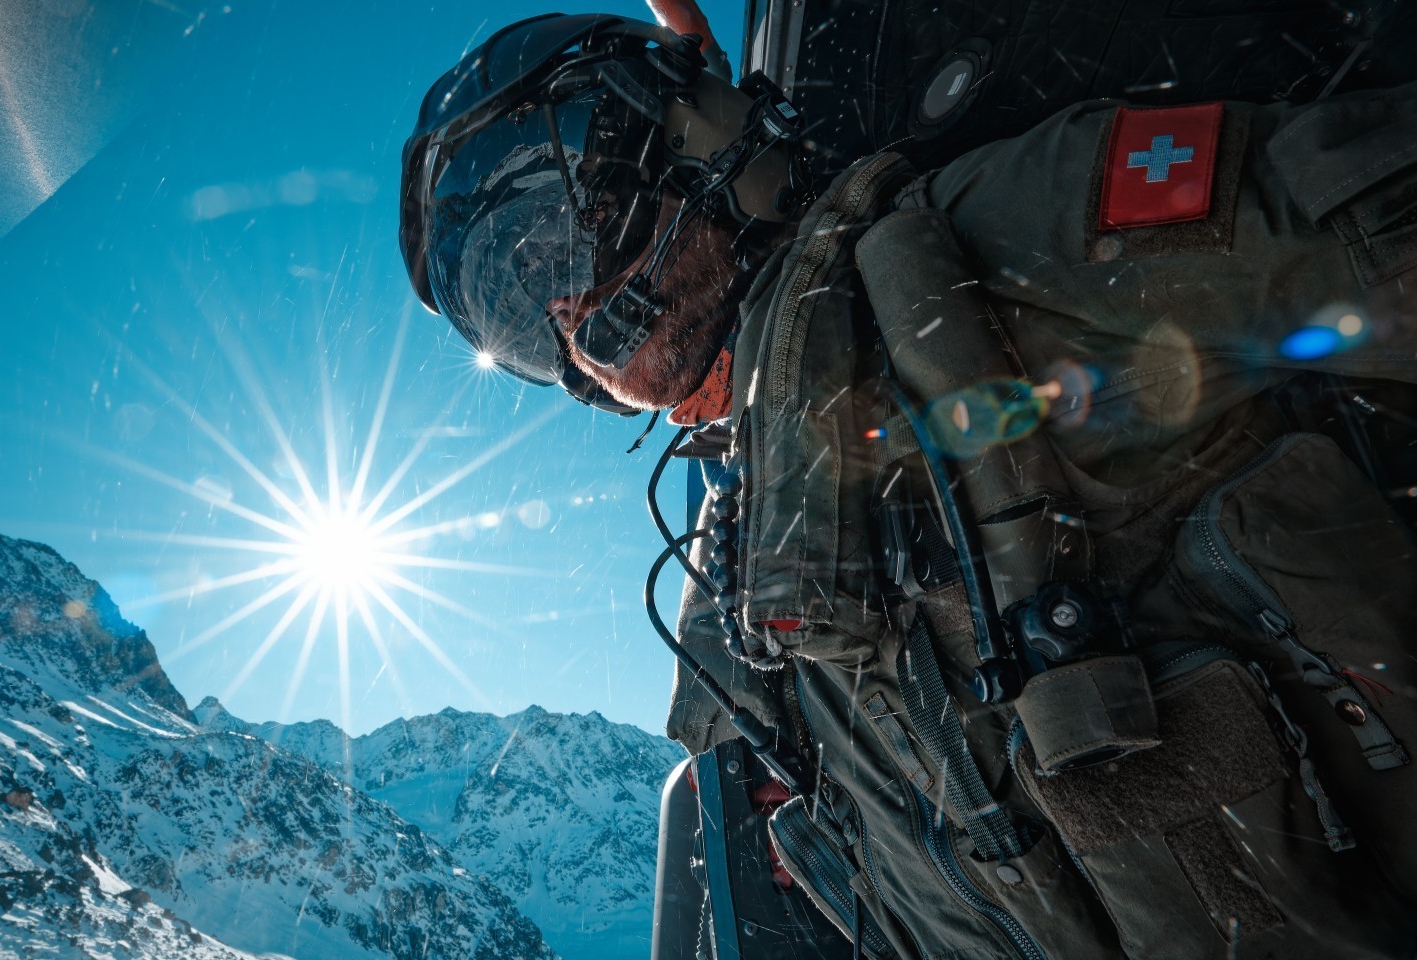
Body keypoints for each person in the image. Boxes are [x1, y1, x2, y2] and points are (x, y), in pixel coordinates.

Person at [399, 8, 1417, 958]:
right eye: (521, 304)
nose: (568, 309)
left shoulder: (993, 241)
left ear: (688, 143)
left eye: (564, 239)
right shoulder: (733, 558)